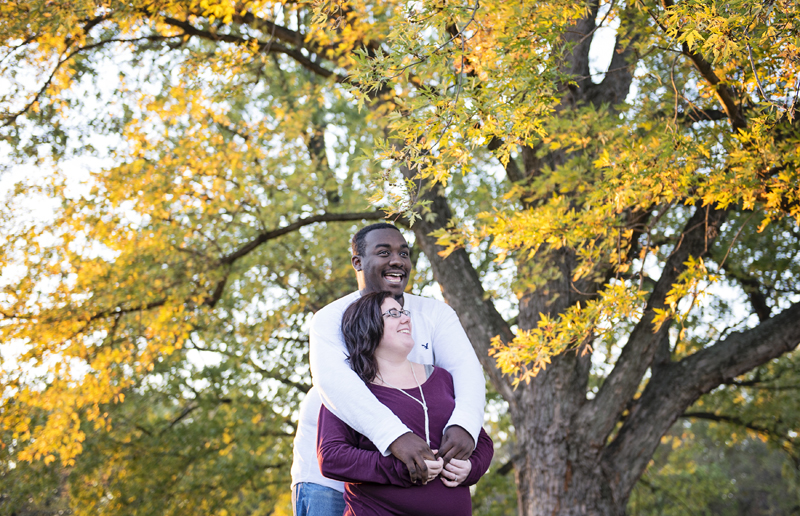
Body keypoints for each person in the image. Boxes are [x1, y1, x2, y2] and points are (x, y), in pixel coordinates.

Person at [291, 223, 486, 515]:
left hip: (413, 476)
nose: (397, 260)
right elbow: (336, 384)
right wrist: (395, 436)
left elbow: (465, 373)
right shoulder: (331, 318)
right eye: (384, 252)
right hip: (328, 479)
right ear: (357, 261)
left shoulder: (435, 314)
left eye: (404, 253)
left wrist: (464, 427)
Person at [317, 291, 494, 515]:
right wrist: (400, 468)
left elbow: (482, 441)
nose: (406, 318)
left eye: (404, 312)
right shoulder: (350, 389)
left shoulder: (441, 378)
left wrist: (470, 468)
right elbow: (332, 457)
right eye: (392, 314)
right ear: (367, 326)